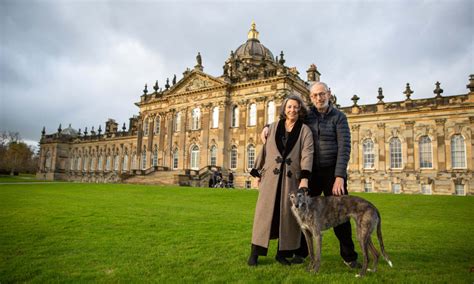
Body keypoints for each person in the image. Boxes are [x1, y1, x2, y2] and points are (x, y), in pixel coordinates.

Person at [261, 82, 359, 267]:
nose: (319, 98)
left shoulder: (339, 117)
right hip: (311, 172)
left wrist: (339, 177)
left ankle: (349, 255)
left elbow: (344, 148)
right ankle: (302, 252)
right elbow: (288, 119)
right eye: (314, 96)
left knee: (341, 214)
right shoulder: (308, 116)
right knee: (304, 212)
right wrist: (267, 126)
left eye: (322, 94)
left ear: (329, 94)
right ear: (311, 98)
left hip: (332, 172)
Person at [248, 95, 314, 266]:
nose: (292, 110)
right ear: (284, 109)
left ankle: (282, 253)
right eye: (289, 107)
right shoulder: (272, 127)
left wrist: (305, 178)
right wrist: (256, 174)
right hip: (270, 178)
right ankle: (255, 253)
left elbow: (307, 154)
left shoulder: (305, 130)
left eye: (296, 107)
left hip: (291, 179)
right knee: (263, 215)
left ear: (300, 110)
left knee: (287, 216)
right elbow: (264, 150)